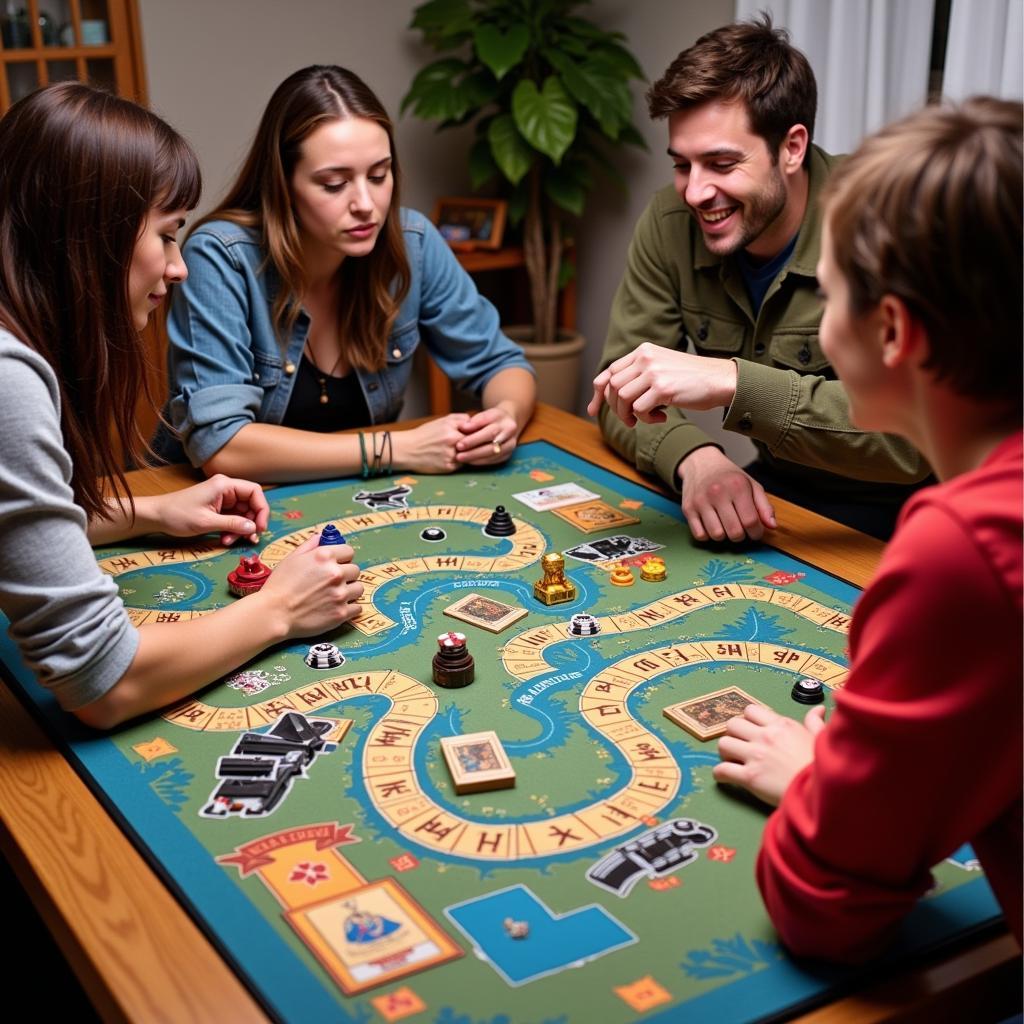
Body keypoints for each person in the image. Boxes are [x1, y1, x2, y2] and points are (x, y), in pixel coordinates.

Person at [711, 98, 1022, 961]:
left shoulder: (966, 544)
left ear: (892, 332)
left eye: (832, 294)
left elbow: (823, 906)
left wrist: (815, 784)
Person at [0, 83, 364, 730]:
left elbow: (16, 534)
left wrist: (152, 512)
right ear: (89, 237)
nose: (179, 268)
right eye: (167, 237)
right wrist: (280, 607)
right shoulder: (7, 378)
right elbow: (102, 683)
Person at [589, 15, 929, 543]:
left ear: (791, 148)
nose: (695, 192)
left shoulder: (888, 221)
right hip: (780, 496)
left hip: (916, 510)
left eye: (721, 163)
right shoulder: (669, 222)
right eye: (682, 164)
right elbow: (620, 384)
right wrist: (696, 458)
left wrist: (732, 381)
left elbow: (913, 441)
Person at [160, 65, 536, 482]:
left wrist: (505, 416)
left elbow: (502, 363)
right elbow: (223, 446)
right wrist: (397, 449)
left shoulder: (413, 242)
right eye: (334, 184)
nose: (366, 204)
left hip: (357, 499)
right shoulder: (220, 255)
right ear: (283, 185)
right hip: (214, 508)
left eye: (379, 175)